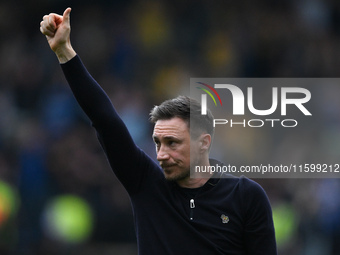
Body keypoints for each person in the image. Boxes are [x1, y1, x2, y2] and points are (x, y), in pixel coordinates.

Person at [40, 8, 277, 254]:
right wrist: (64, 51)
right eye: (158, 143)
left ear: (203, 143)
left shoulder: (246, 196)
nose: (161, 154)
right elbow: (105, 120)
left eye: (172, 143)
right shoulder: (147, 184)